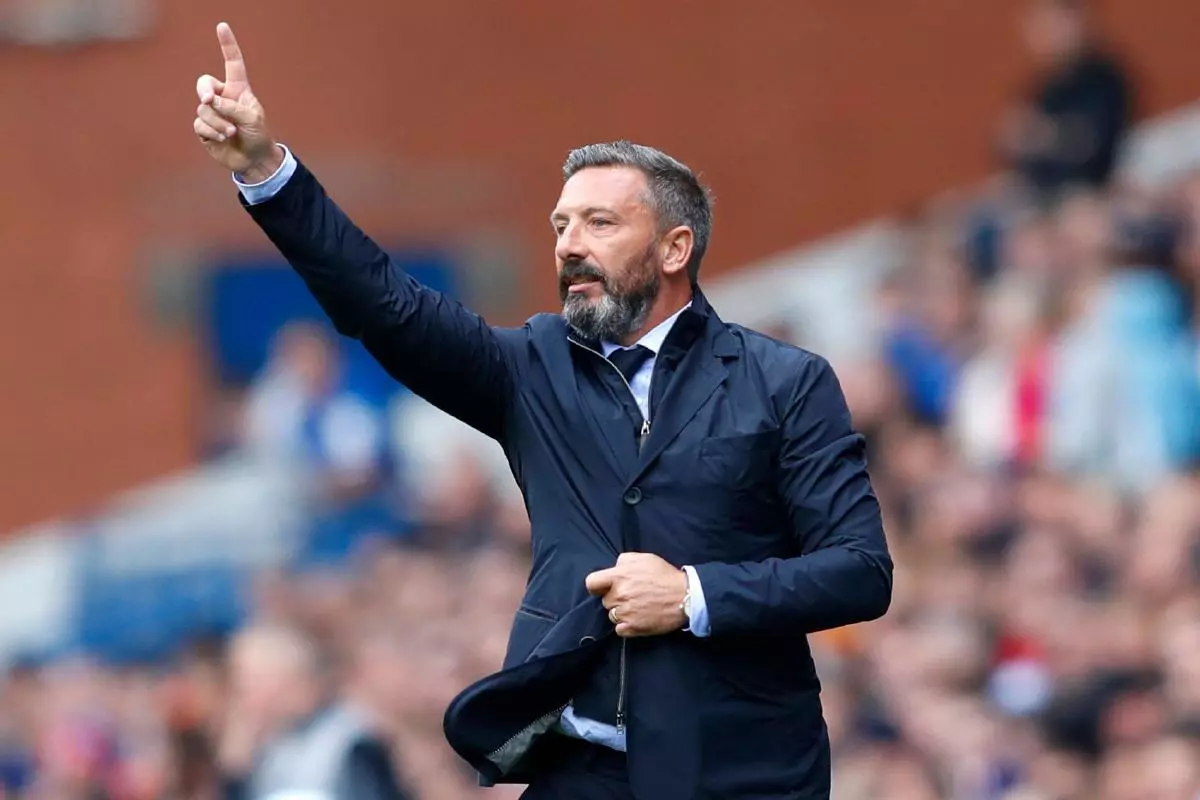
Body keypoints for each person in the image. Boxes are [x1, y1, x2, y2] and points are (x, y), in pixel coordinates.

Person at [192, 22, 893, 799]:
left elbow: (859, 573)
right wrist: (267, 173)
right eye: (560, 225)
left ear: (674, 248)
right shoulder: (532, 366)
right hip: (579, 770)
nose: (567, 244)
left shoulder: (783, 380)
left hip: (741, 770)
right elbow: (382, 302)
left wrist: (693, 596)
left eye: (599, 223)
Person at [217, 623, 412, 800]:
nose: (240, 692)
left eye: (249, 680)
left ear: (285, 680)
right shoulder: (266, 742)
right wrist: (235, 774)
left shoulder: (354, 738)